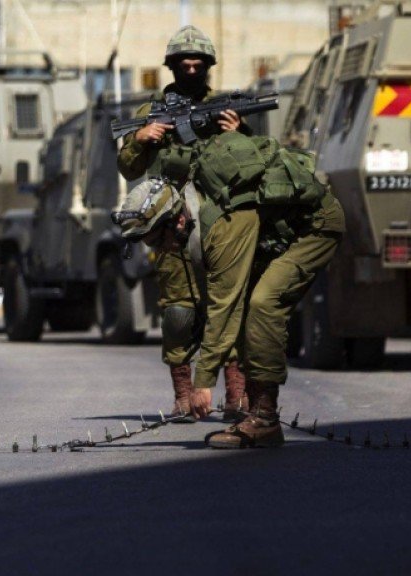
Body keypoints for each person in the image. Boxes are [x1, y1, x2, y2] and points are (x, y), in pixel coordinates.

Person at [116, 132, 345, 448]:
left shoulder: (220, 226)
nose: (159, 249)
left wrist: (203, 382)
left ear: (176, 220)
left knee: (263, 304)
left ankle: (264, 420)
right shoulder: (196, 214)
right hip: (280, 234)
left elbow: (224, 305)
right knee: (249, 305)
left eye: (156, 240)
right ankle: (255, 412)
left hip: (314, 227)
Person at [116, 25, 247, 423]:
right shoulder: (150, 112)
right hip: (173, 224)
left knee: (228, 306)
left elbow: (250, 165)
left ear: (208, 66)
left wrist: (236, 134)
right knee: (178, 313)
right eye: (184, 65)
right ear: (172, 66)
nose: (191, 71)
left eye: (198, 65)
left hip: (220, 220)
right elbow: (128, 168)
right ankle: (183, 397)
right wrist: (142, 137)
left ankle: (236, 395)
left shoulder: (224, 108)